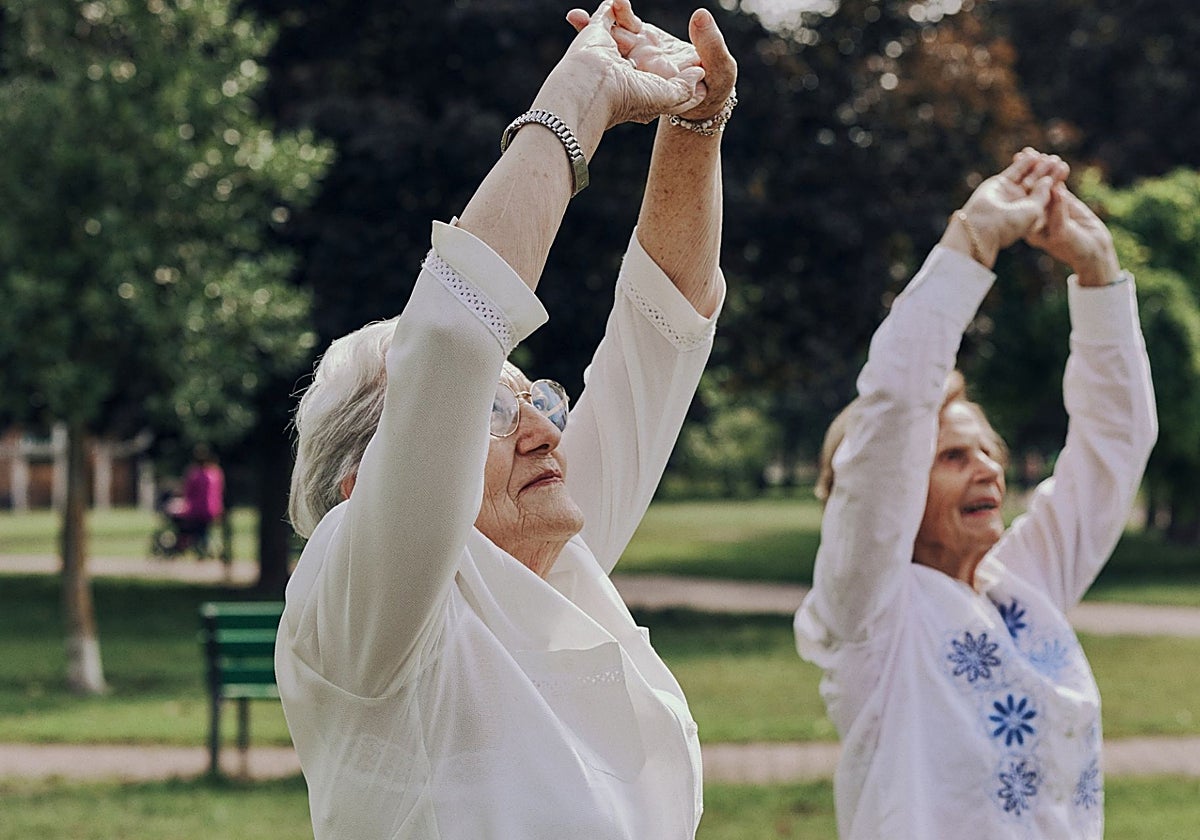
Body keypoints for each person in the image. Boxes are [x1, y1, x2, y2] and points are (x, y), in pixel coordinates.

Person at [275, 2, 737, 837]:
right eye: (491, 410)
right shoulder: (361, 604)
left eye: (536, 399)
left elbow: (663, 333)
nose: (541, 431)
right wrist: (582, 93)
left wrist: (695, 123)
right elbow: (454, 336)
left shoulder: (545, 561)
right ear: (361, 484)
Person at [794, 149, 1157, 838]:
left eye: (987, 450)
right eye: (953, 457)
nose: (987, 468)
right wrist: (973, 241)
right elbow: (896, 407)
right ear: (899, 483)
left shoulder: (1026, 586)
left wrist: (1098, 270)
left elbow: (1116, 443)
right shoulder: (871, 615)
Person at [171, 445, 224, 556]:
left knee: (178, 519)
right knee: (202, 529)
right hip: (214, 510)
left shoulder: (194, 474)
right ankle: (200, 544)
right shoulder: (216, 473)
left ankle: (182, 543)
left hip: (196, 511)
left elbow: (187, 493)